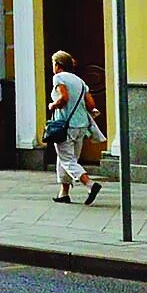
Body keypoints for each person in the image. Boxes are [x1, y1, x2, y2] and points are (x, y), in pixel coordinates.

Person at [48, 50, 102, 205]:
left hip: (66, 126)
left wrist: (53, 105)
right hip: (82, 125)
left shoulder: (58, 77)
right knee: (68, 159)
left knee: (67, 160)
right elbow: (91, 104)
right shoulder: (80, 81)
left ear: (58, 65)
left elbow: (63, 98)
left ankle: (90, 185)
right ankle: (63, 193)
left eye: (53, 64)